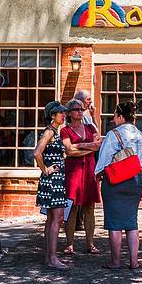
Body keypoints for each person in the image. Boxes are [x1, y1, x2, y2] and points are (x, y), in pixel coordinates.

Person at [95, 101, 142, 270]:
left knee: (114, 223)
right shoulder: (139, 135)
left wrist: (98, 174)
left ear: (121, 117)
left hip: (115, 182)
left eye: (115, 115)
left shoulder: (113, 135)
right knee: (131, 222)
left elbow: (104, 159)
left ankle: (115, 261)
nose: (114, 119)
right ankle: (134, 261)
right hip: (134, 181)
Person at [61, 98, 102, 255]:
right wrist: (88, 147)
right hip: (73, 171)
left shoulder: (90, 127)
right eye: (77, 109)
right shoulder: (65, 130)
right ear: (70, 113)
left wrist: (78, 145)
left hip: (89, 170)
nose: (80, 112)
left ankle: (90, 243)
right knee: (71, 208)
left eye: (81, 109)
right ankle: (69, 243)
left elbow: (98, 145)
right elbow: (68, 151)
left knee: (89, 208)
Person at [33, 101, 71, 270]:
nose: (64, 115)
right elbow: (37, 152)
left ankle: (49, 256)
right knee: (57, 218)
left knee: (52, 219)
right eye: (60, 113)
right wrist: (45, 169)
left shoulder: (56, 132)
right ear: (52, 116)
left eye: (64, 112)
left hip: (56, 180)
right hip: (53, 180)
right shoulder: (49, 131)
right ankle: (53, 257)